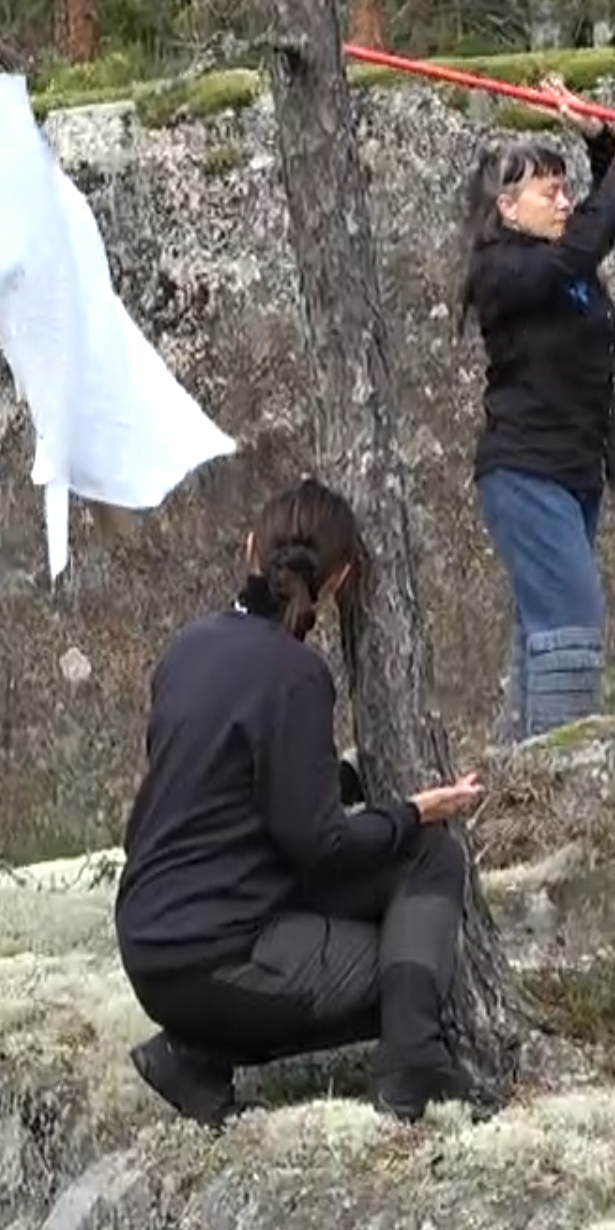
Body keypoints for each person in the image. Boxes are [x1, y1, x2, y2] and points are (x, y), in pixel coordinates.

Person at [112, 477, 489, 1126]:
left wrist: (348, 781)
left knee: (403, 913)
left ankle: (193, 1056)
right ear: (338, 581)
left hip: (147, 943)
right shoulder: (298, 675)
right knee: (422, 920)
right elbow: (321, 845)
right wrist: (410, 814)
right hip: (218, 956)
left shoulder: (187, 649)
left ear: (248, 548)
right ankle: (411, 1066)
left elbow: (231, 793)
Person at [458, 84, 615, 744]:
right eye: (550, 193)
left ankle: (521, 763)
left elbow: (599, 223)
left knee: (540, 629)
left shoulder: (560, 261)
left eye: (565, 190)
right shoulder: (502, 270)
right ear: (507, 207)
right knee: (571, 621)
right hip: (526, 470)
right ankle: (561, 769)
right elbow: (588, 240)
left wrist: (597, 140)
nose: (564, 202)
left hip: (573, 471)